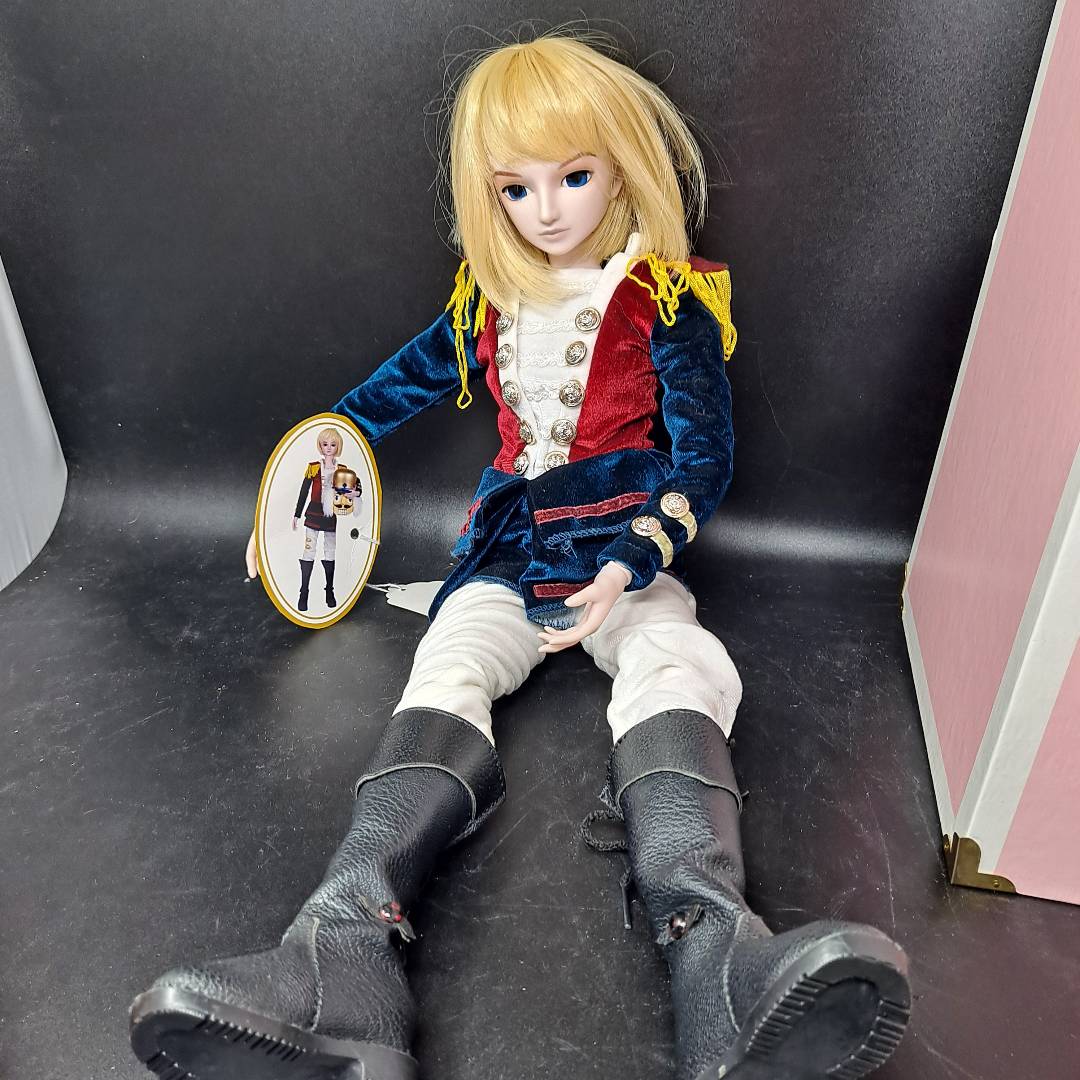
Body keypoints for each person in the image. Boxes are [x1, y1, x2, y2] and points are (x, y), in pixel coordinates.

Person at [130, 32, 910, 1080]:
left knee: (673, 660)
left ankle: (717, 951)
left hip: (618, 545)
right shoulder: (489, 301)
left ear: (622, 170)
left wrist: (630, 563)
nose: (546, 209)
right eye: (515, 188)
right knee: (447, 666)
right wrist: (295, 499)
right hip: (504, 548)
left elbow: (704, 458)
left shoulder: (664, 301)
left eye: (574, 176)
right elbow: (378, 400)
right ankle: (339, 955)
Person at [292, 427, 361, 611]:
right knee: (309, 549)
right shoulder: (313, 467)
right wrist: (297, 514)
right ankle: (303, 592)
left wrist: (355, 493)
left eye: (333, 444)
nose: (329, 448)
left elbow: (356, 486)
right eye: (325, 444)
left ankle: (329, 591)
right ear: (320, 446)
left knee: (330, 551)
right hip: (313, 513)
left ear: (338, 447)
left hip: (331, 515)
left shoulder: (342, 470)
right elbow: (304, 491)